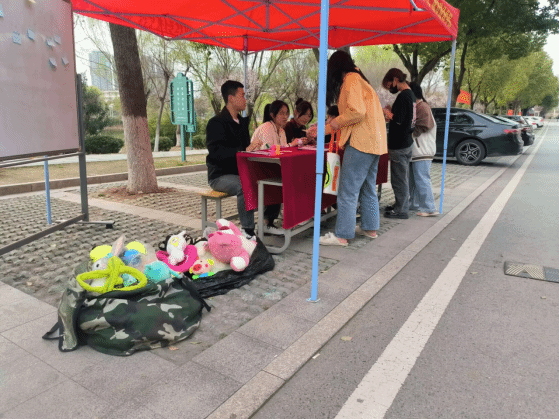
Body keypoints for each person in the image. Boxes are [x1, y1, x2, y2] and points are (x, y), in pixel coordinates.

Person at [318, 50, 388, 247]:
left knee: (347, 191)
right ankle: (370, 228)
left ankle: (342, 235)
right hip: (375, 144)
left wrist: (332, 124)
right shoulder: (362, 81)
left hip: (360, 143)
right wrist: (326, 128)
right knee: (368, 188)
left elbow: (356, 112)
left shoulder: (351, 79)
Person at [206, 80, 256, 238]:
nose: (245, 99)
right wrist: (244, 150)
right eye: (242, 95)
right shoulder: (216, 123)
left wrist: (253, 149)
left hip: (239, 172)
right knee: (244, 185)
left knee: (264, 180)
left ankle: (268, 220)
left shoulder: (242, 123)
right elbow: (216, 153)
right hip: (219, 175)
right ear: (231, 98)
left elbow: (246, 150)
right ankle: (247, 231)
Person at [246, 100, 290, 230]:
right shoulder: (266, 127)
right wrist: (290, 145)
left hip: (271, 165)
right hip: (257, 166)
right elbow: (270, 150)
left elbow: (282, 149)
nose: (285, 116)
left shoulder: (281, 130)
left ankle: (271, 220)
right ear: (272, 115)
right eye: (281, 113)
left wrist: (289, 146)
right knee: (278, 180)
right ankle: (266, 221)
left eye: (287, 113)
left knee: (285, 178)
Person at [382, 68, 416, 219]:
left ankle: (401, 210)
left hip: (400, 144)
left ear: (396, 79)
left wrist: (388, 113)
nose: (390, 88)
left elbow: (399, 120)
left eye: (389, 84)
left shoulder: (403, 96)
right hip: (407, 142)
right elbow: (405, 118)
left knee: (399, 180)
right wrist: (392, 113)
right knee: (402, 178)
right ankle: (400, 205)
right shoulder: (411, 95)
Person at [408, 82, 438, 217]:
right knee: (414, 181)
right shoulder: (418, 106)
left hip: (422, 151)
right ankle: (414, 204)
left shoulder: (423, 107)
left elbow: (423, 126)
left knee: (422, 179)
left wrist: (408, 133)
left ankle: (429, 207)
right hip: (418, 151)